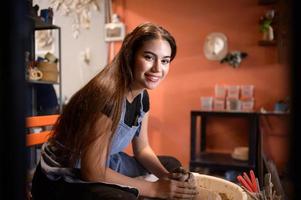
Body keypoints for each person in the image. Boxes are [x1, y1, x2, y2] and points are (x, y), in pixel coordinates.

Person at [31, 22, 198, 200]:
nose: (158, 68)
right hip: (64, 174)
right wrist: (155, 189)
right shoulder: (107, 95)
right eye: (149, 57)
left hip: (105, 162)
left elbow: (142, 149)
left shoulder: (142, 97)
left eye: (165, 61)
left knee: (172, 166)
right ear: (130, 55)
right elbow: (92, 172)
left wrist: (167, 178)